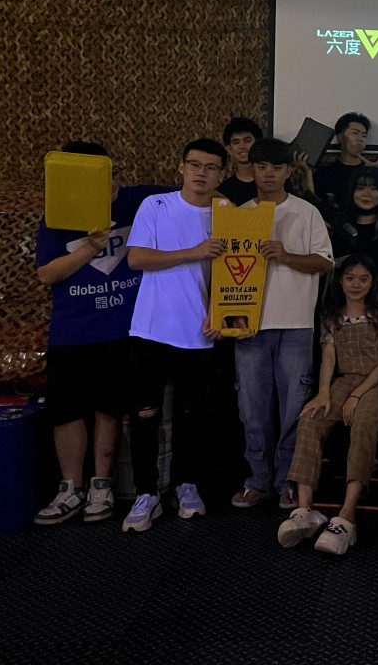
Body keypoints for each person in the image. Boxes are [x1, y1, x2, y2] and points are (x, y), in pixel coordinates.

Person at [34, 142, 165, 525]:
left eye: (110, 174)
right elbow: (46, 274)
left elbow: (190, 194)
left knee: (109, 409)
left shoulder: (138, 201)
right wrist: (90, 247)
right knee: (66, 411)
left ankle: (101, 486)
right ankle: (70, 488)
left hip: (121, 330)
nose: (109, 183)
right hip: (71, 333)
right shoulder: (57, 215)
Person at [122, 138, 230, 532]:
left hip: (200, 331)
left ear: (222, 174)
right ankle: (146, 493)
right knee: (145, 414)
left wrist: (221, 313)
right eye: (195, 164)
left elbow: (235, 273)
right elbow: (136, 258)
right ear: (181, 167)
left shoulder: (227, 214)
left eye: (211, 167)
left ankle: (187, 484)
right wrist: (193, 252)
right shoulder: (156, 205)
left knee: (194, 415)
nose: (201, 172)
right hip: (150, 328)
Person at [230, 138, 333, 510]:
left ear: (289, 171)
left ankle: (288, 481)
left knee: (294, 410)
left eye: (276, 167)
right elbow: (224, 271)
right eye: (262, 167)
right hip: (249, 324)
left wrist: (285, 255)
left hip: (296, 324)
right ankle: (257, 480)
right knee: (251, 410)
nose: (269, 174)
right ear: (252, 169)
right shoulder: (239, 213)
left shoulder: (306, 212)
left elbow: (325, 262)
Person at [277, 255, 378, 552]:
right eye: (350, 278)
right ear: (341, 281)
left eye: (363, 279)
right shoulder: (331, 315)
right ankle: (305, 510)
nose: (356, 284)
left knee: (364, 420)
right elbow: (329, 358)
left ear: (372, 283)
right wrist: (323, 392)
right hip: (344, 380)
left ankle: (347, 515)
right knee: (310, 419)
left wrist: (357, 395)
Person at [330, 167, 378, 301]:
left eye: (374, 188)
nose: (367, 194)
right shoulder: (339, 229)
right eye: (360, 188)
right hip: (342, 303)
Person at [314, 112, 378, 219]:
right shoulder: (324, 174)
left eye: (364, 135)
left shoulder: (371, 171)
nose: (360, 138)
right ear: (340, 137)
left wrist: (376, 173)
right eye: (355, 133)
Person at [218, 117, 264, 206]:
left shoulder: (272, 182)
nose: (242, 146)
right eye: (236, 142)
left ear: (258, 144)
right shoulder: (225, 189)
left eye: (247, 141)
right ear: (229, 149)